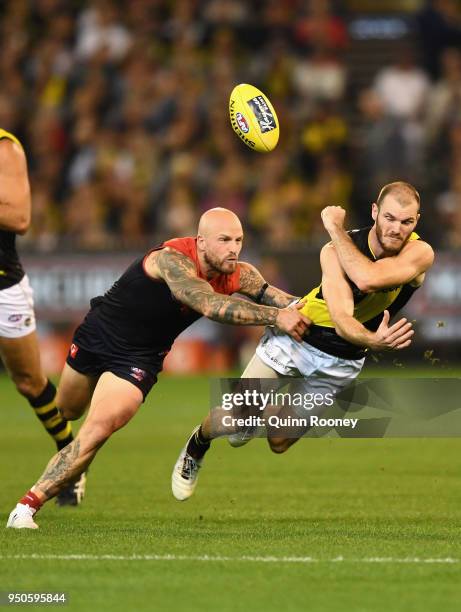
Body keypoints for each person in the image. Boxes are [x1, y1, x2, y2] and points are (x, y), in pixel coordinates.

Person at [6, 207, 310, 529]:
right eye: (224, 240)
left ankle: (26, 507)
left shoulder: (240, 273)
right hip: (98, 333)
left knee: (97, 430)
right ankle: (72, 465)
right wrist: (276, 317)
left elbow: (288, 301)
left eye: (238, 240)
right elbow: (208, 304)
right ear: (201, 242)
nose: (233, 248)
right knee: (67, 410)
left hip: (139, 358)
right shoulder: (172, 259)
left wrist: (329, 310)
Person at [171, 181, 434, 501]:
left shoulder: (420, 252)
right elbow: (344, 316)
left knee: (279, 441)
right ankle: (197, 445)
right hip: (298, 336)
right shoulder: (331, 250)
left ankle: (257, 410)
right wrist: (373, 340)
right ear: (375, 212)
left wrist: (333, 228)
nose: (396, 229)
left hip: (342, 362)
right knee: (239, 428)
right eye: (390, 218)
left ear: (416, 221)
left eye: (406, 222)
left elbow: (373, 277)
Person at [0, 128, 84, 506]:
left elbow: (19, 217)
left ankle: (70, 456)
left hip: (3, 286)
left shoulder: (5, 147)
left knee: (29, 381)